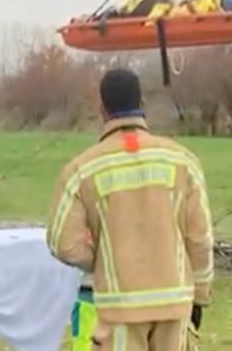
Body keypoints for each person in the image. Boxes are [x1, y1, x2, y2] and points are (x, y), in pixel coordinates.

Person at [47, 69, 214, 350]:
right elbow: (200, 239)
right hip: (175, 304)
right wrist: (200, 295)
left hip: (119, 308)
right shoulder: (183, 162)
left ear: (102, 109)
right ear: (142, 105)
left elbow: (61, 242)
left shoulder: (82, 169)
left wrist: (104, 259)